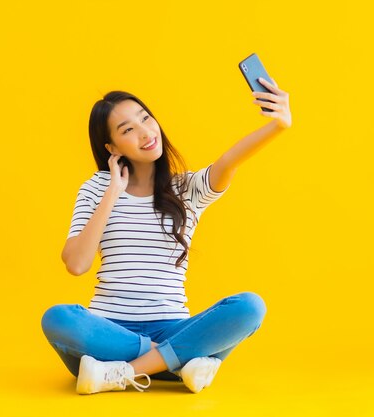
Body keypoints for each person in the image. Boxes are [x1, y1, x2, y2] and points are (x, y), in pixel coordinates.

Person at [42, 77, 292, 394]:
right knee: (58, 318)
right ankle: (178, 362)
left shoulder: (186, 189)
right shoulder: (95, 189)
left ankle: (121, 372)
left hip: (172, 325)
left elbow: (229, 161)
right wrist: (113, 192)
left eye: (146, 118)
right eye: (127, 129)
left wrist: (278, 126)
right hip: (107, 329)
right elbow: (76, 264)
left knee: (249, 307)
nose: (145, 132)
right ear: (112, 148)